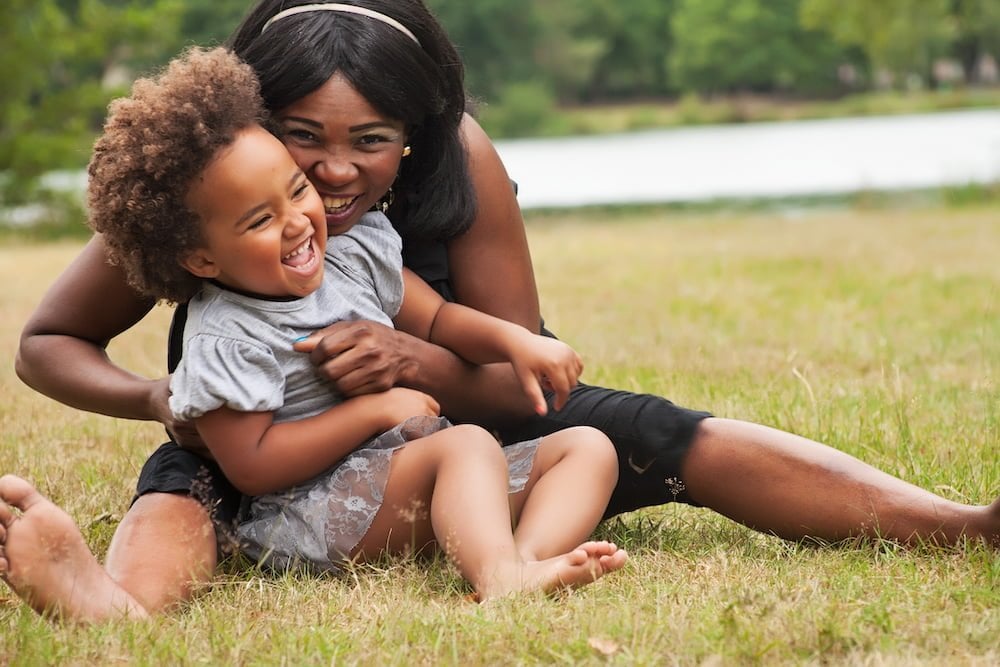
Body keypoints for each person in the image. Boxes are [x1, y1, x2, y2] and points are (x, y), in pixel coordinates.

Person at [5, 0, 999, 623]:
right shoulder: (210, 187)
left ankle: (961, 525)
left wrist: (408, 362)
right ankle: (111, 606)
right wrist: (159, 398)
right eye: (301, 137)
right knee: (186, 488)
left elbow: (521, 378)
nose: (335, 172)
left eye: (374, 141)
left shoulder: (452, 162)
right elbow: (49, 342)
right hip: (247, 429)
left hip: (436, 417)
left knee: (635, 432)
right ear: (249, 125)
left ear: (418, 133)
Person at [3, 45, 627, 614]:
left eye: (295, 189)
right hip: (315, 511)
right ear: (200, 259)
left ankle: (523, 561)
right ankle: (499, 573)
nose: (299, 220)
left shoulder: (351, 254)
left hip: (406, 475)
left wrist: (519, 340)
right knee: (465, 446)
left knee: (587, 447)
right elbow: (252, 467)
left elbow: (436, 317)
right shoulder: (226, 339)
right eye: (259, 219)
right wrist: (375, 409)